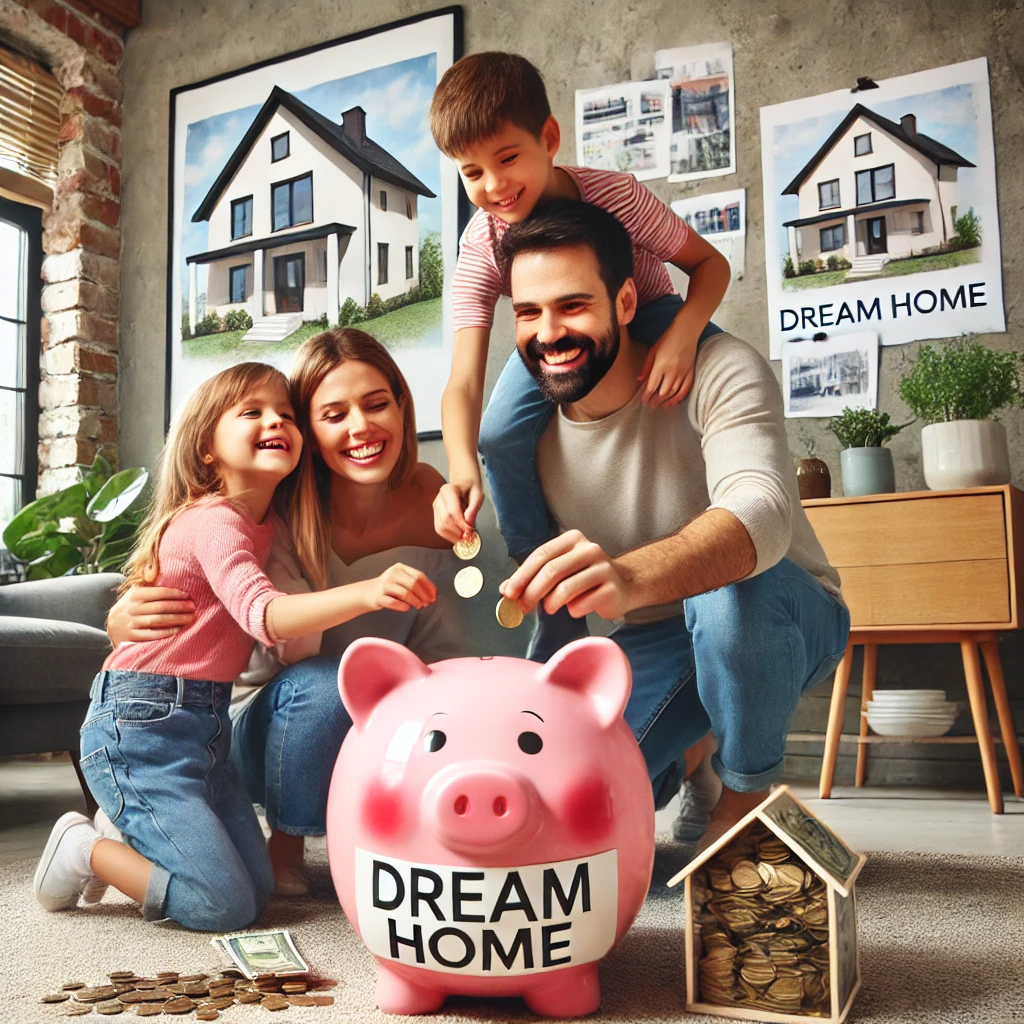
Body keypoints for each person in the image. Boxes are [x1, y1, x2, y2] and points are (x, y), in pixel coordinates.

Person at [494, 201, 851, 849]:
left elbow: (763, 514)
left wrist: (628, 576)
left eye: (572, 306)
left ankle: (746, 791)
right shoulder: (527, 440)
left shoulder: (721, 367)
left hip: (782, 610)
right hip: (656, 634)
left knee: (730, 597)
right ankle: (694, 759)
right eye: (527, 313)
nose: (548, 333)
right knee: (562, 793)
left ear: (625, 301)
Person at [33, 362, 440, 930]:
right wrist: (369, 591)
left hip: (206, 732)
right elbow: (265, 615)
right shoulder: (215, 520)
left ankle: (129, 827)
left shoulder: (269, 522)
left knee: (260, 888)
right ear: (206, 448)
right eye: (253, 412)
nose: (276, 420)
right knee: (220, 906)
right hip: (142, 726)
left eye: (286, 413)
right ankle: (84, 846)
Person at [428, 52, 731, 659]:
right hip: (559, 334)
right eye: (471, 173)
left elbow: (710, 265)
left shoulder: (615, 195)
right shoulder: (482, 243)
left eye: (508, 158)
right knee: (496, 437)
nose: (493, 187)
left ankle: (708, 559)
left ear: (548, 138)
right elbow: (463, 379)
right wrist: (460, 469)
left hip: (645, 310)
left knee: (718, 374)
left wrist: (684, 335)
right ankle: (549, 592)